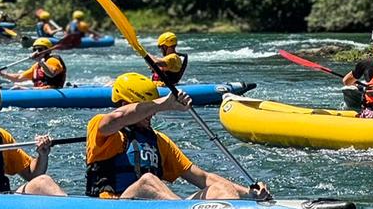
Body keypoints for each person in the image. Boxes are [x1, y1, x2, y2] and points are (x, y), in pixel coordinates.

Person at [85, 73, 267, 201]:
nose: (152, 113)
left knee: (221, 189)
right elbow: (117, 118)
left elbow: (202, 177)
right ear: (125, 104)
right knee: (148, 181)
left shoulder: (159, 141)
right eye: (146, 107)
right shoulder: (101, 127)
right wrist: (163, 104)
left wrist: (249, 192)